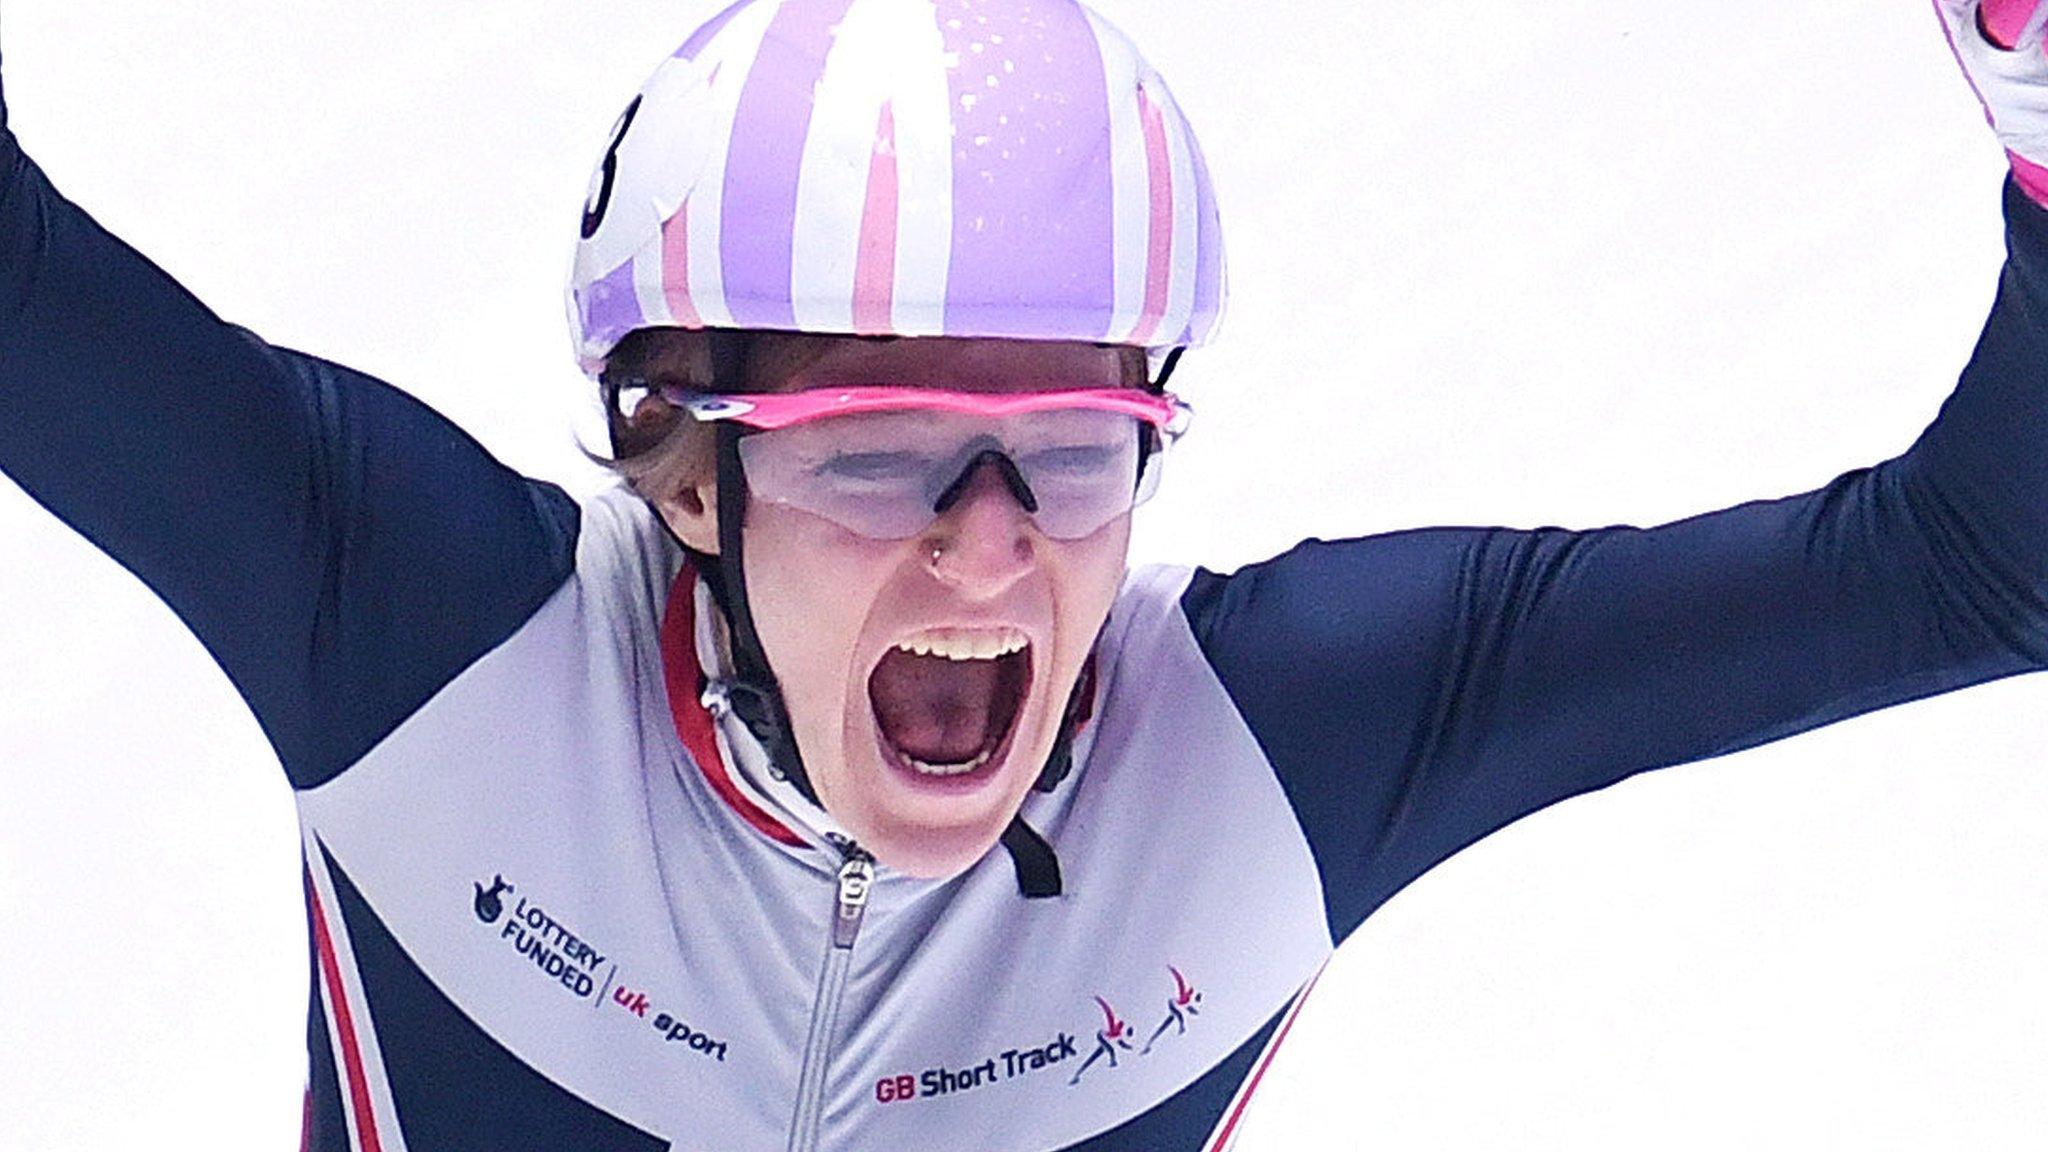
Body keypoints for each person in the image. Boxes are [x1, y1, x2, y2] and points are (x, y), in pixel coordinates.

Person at [4, 2, 2047, 1149]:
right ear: (685, 472)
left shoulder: (1276, 747)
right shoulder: (426, 636)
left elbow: (1982, 567)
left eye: (1074, 457)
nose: (992, 539)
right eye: (881, 456)